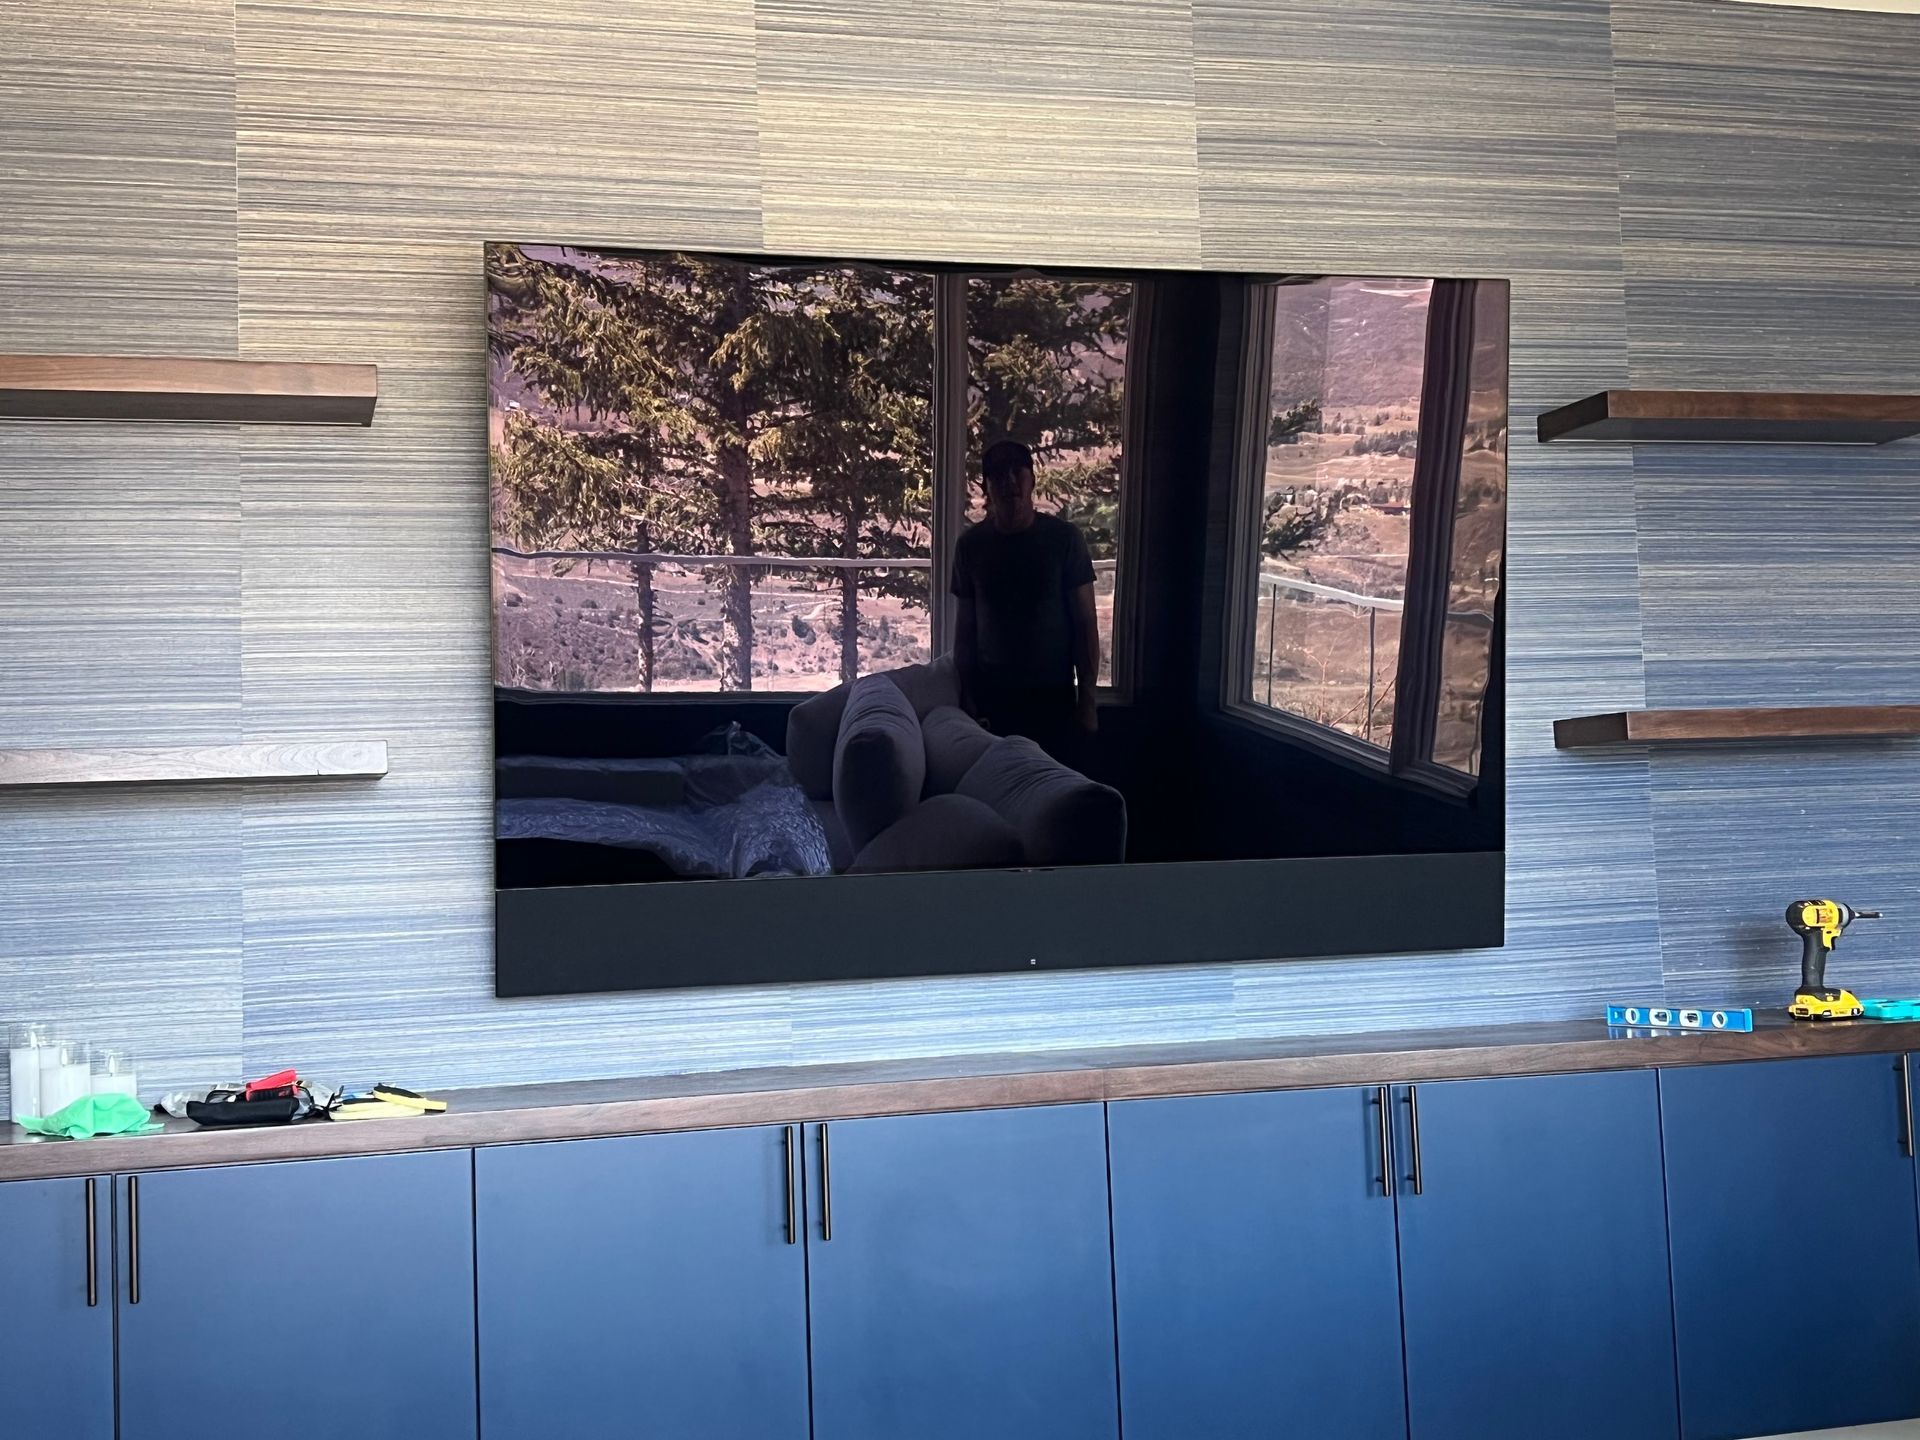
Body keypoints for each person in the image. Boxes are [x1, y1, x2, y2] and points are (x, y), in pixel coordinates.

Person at [951, 439, 1100, 760]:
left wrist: (1087, 700)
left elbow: (1086, 623)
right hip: (994, 699)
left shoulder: (1064, 540)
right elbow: (965, 628)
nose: (1009, 481)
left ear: (1032, 478)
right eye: (998, 474)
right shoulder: (971, 547)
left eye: (1017, 471)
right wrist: (967, 695)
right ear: (986, 486)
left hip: (1053, 697)